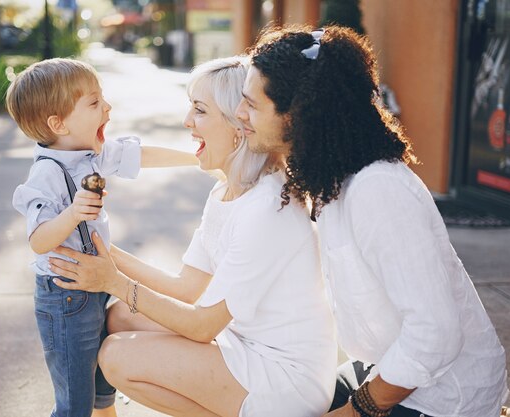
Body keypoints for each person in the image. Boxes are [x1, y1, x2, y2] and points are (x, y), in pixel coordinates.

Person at [234, 25, 508, 417]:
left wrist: (354, 410)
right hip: (377, 370)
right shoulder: (329, 176)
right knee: (251, 391)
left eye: (252, 105)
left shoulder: (377, 190)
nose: (240, 114)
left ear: (298, 116)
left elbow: (435, 334)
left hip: (441, 401)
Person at [48, 56, 337, 417]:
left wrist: (114, 281)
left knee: (116, 355)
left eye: (199, 110)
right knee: (118, 317)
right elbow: (185, 287)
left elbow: (202, 326)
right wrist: (104, 254)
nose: (187, 121)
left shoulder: (267, 209)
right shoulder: (226, 192)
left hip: (284, 378)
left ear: (239, 124)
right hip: (242, 343)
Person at [6, 57, 197, 417]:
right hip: (64, 298)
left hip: (95, 287)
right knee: (74, 403)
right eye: (94, 103)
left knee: (101, 388)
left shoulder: (88, 153)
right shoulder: (47, 174)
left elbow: (141, 155)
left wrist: (201, 161)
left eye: (102, 98)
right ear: (57, 124)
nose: (107, 107)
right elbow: (38, 240)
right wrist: (73, 213)